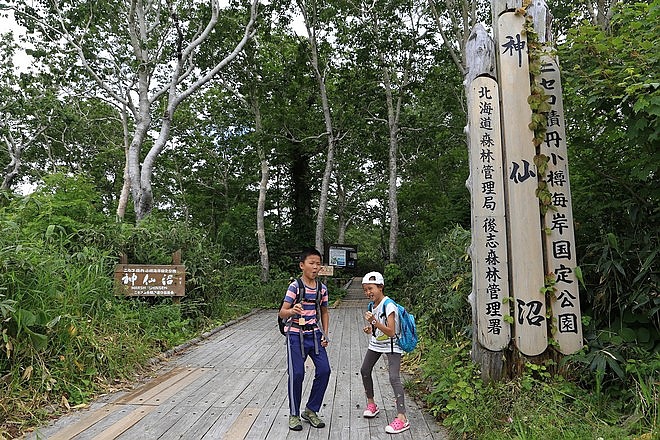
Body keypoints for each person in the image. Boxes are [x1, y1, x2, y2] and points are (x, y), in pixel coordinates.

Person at [278, 248, 331, 431]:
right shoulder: (295, 286)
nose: (315, 267)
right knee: (297, 374)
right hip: (295, 335)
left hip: (315, 336)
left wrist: (325, 334)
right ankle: (294, 414)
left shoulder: (322, 289)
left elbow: (324, 311)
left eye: (318, 264)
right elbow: (282, 311)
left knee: (325, 370)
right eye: (311, 263)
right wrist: (292, 311)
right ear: (302, 265)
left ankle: (311, 410)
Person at [360, 271, 410, 434]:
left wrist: (373, 322)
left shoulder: (389, 305)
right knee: (365, 370)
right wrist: (371, 328)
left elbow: (391, 331)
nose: (368, 293)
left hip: (392, 345)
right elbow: (378, 327)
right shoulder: (372, 305)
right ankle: (371, 404)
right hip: (377, 343)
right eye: (365, 289)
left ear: (380, 287)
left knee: (394, 377)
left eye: (371, 289)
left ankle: (402, 418)